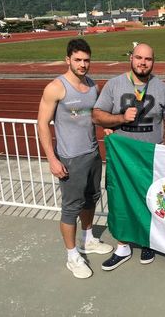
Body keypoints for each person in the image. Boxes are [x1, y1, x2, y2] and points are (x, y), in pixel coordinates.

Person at [92, 42, 165, 271]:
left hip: (152, 157)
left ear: (153, 61)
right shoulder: (114, 84)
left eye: (148, 59)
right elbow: (97, 115)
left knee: (150, 199)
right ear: (131, 58)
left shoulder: (162, 88)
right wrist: (120, 118)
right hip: (123, 160)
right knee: (120, 200)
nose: (142, 62)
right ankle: (123, 245)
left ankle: (147, 240)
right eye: (139, 58)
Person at [37, 38, 113, 279]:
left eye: (86, 60)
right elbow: (41, 124)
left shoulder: (92, 86)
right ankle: (72, 256)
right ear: (67, 59)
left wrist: (107, 129)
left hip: (92, 154)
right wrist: (52, 158)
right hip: (69, 158)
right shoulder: (55, 88)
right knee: (71, 208)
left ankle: (88, 238)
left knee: (91, 199)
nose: (83, 64)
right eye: (78, 60)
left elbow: (95, 115)